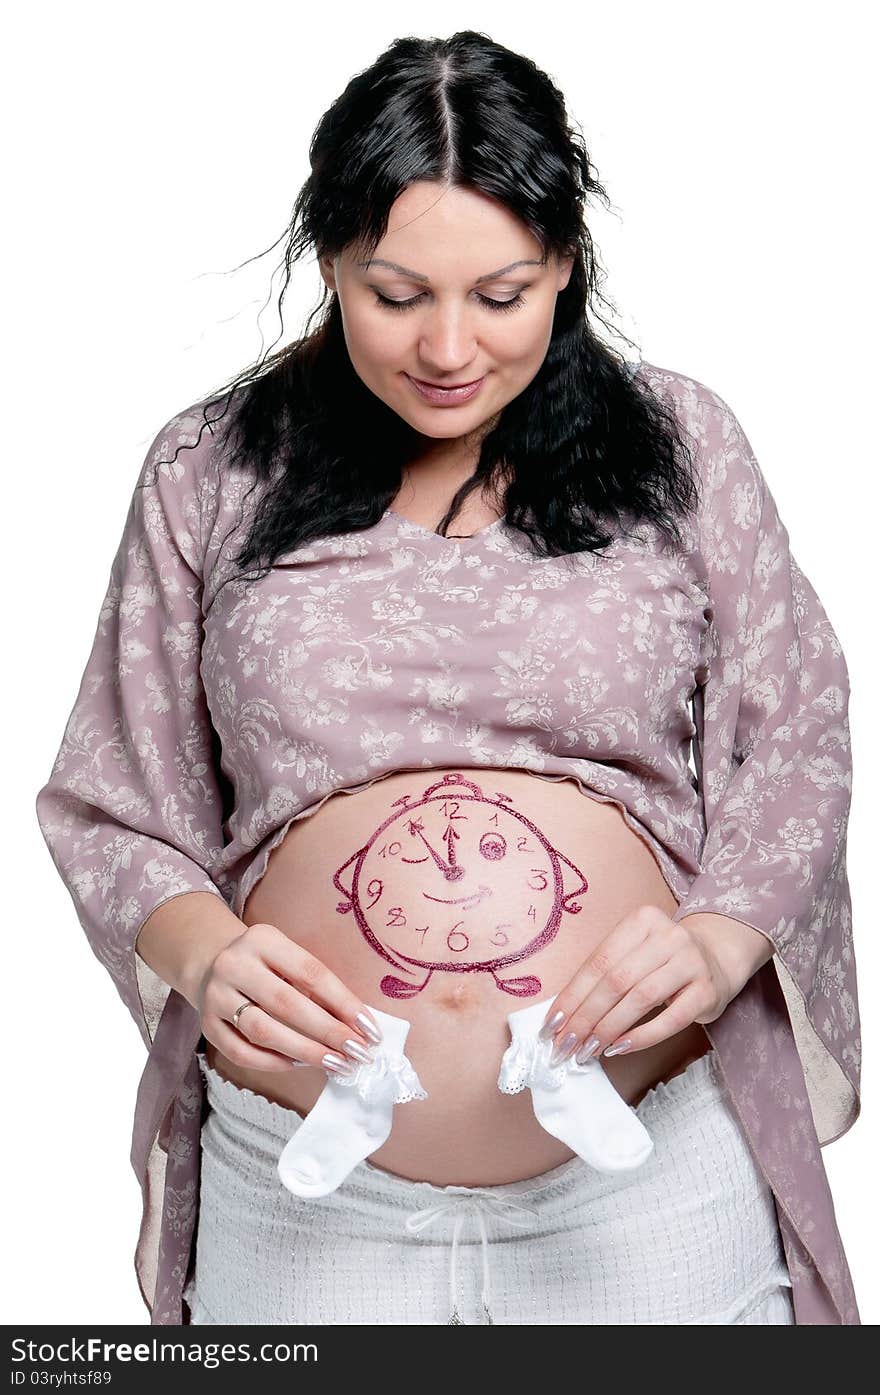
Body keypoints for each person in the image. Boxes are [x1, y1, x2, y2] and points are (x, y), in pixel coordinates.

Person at [35, 30, 861, 1326]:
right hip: (311, 1197)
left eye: (502, 293)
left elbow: (797, 736)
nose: (448, 348)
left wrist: (722, 935)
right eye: (396, 292)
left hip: (645, 1196)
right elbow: (111, 798)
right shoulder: (207, 471)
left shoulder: (685, 446)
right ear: (329, 266)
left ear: (567, 268)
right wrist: (205, 956)